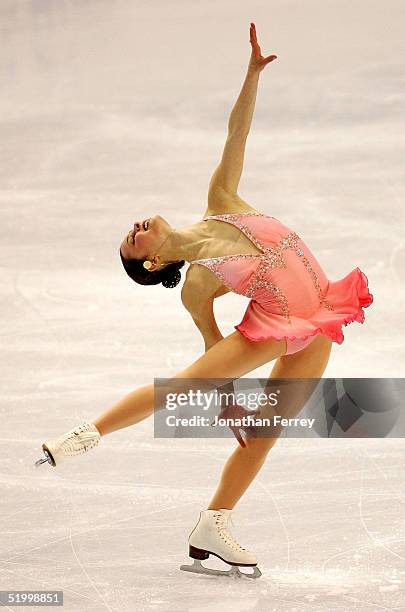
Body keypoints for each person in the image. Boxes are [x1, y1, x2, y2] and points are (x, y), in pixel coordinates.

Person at [35, 23, 373, 578]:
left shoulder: (223, 201)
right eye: (132, 239)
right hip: (276, 324)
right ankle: (85, 435)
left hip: (319, 317)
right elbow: (211, 347)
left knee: (266, 433)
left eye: (130, 227)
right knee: (184, 385)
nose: (136, 226)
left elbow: (237, 133)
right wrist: (227, 397)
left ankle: (214, 524)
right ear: (152, 263)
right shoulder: (197, 281)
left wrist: (251, 74)